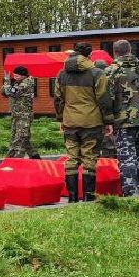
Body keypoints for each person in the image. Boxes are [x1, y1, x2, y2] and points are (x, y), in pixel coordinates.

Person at [54, 42, 109, 201]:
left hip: (70, 121)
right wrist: (108, 121)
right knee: (89, 157)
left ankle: (71, 197)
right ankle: (88, 196)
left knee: (71, 157)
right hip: (92, 121)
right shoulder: (97, 73)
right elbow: (103, 99)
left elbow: (58, 99)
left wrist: (61, 118)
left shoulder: (62, 74)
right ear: (89, 55)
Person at [104, 40, 139, 197]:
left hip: (122, 122)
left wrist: (107, 121)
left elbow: (106, 98)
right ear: (130, 50)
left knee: (127, 158)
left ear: (115, 52)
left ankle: (131, 193)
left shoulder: (111, 71)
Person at [0, 66, 39, 159]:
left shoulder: (26, 83)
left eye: (17, 76)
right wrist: (8, 84)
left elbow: (11, 92)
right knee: (20, 137)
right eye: (14, 75)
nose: (15, 77)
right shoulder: (18, 83)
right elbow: (3, 92)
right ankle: (34, 157)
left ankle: (15, 159)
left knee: (20, 138)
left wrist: (7, 82)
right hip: (17, 115)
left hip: (24, 116)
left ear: (23, 76)